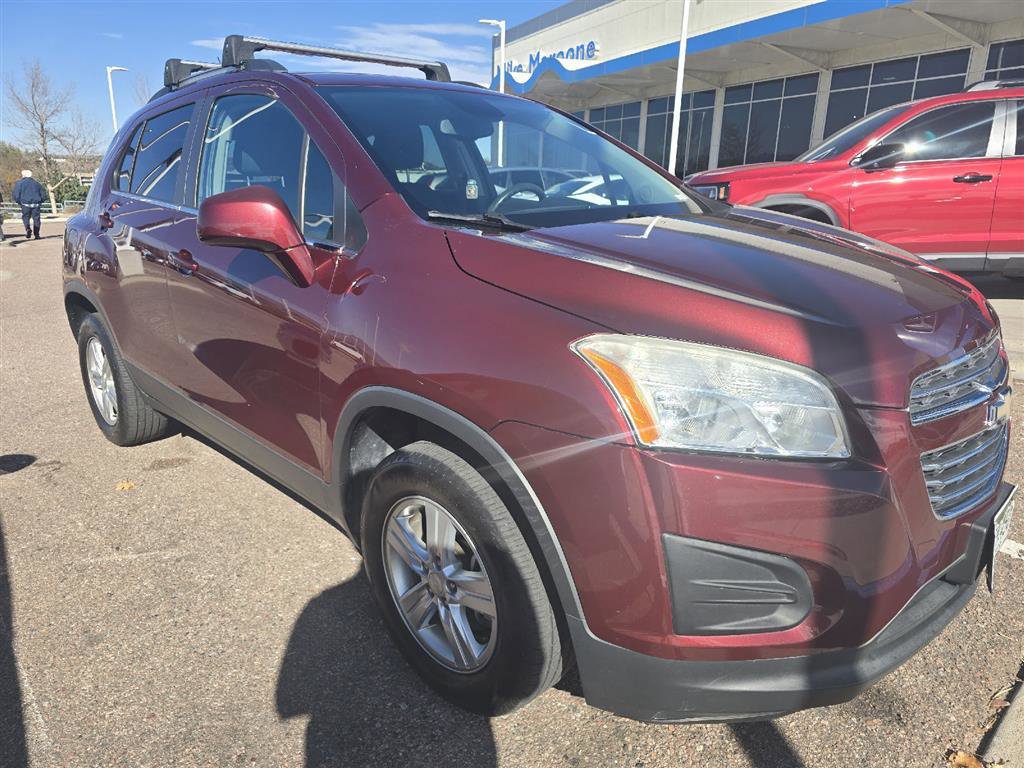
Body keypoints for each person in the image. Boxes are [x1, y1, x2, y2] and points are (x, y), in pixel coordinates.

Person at [12, 170, 45, 240]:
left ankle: (27, 229)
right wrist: (40, 201)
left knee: (26, 218)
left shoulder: (19, 183)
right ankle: (37, 234)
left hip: (25, 203)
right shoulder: (37, 183)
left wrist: (19, 202)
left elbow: (16, 195)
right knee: (36, 219)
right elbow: (43, 194)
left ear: (23, 175)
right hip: (36, 203)